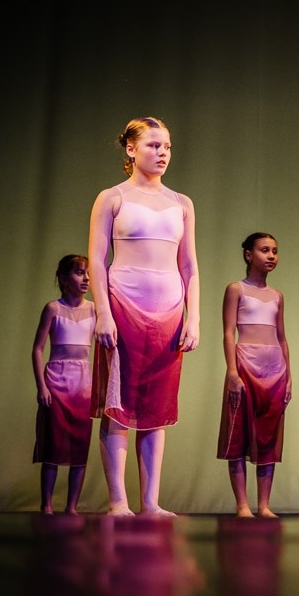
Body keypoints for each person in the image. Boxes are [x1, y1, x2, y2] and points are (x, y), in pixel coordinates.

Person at [88, 116, 200, 516]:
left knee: (156, 409)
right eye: (153, 145)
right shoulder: (112, 197)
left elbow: (189, 266)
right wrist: (103, 312)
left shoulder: (181, 203)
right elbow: (97, 260)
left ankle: (151, 501)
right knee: (118, 404)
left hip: (168, 314)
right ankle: (118, 501)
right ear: (131, 149)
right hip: (123, 306)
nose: (162, 153)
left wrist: (193, 317)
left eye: (166, 146)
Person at [217, 232, 292, 518]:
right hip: (245, 366)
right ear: (249, 255)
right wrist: (232, 371)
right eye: (264, 250)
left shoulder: (277, 296)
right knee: (238, 434)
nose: (271, 256)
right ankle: (242, 505)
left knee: (267, 437)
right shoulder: (236, 289)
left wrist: (288, 375)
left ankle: (264, 505)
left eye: (275, 250)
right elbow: (228, 332)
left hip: (274, 370)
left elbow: (282, 337)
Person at [30, 254, 96, 514]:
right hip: (57, 381)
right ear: (63, 278)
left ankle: (72, 507)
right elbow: (37, 349)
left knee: (80, 446)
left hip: (83, 384)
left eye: (87, 273)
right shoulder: (53, 309)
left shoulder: (94, 309)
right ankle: (46, 505)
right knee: (53, 445)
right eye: (79, 273)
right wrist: (42, 386)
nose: (86, 278)